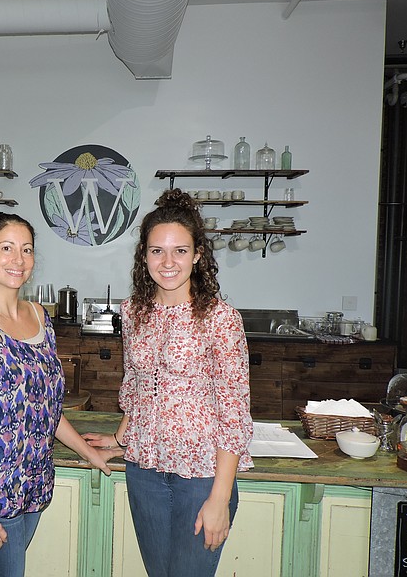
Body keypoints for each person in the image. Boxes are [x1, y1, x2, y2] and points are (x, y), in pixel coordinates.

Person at [83, 188, 254, 577]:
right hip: (144, 473)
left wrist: (220, 498)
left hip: (202, 476)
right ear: (143, 257)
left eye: (180, 250)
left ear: (197, 256)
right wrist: (123, 437)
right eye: (157, 250)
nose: (168, 261)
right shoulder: (133, 313)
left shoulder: (220, 319)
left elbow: (234, 413)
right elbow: (138, 386)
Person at [0, 213, 111, 577]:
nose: (18, 259)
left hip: (32, 488)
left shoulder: (39, 316)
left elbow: (44, 408)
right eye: (7, 248)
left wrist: (88, 451)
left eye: (27, 250)